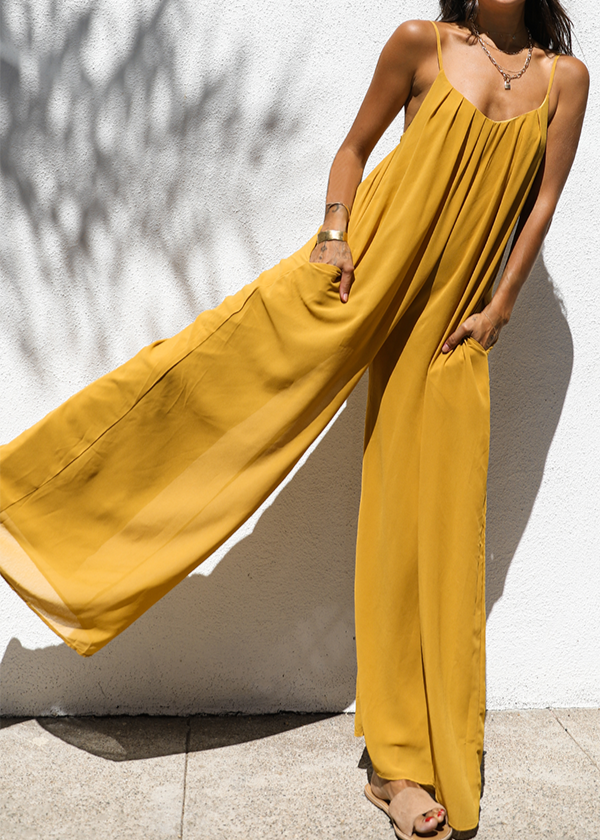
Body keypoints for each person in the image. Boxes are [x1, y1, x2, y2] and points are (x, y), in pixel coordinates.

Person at [0, 0, 588, 837]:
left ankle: (404, 765)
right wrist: (334, 233)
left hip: (452, 330)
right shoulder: (420, 45)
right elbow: (353, 149)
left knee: (434, 533)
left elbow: (543, 203)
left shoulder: (565, 80)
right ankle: (29, 498)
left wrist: (500, 308)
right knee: (214, 376)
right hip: (358, 283)